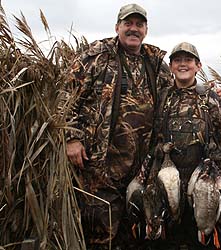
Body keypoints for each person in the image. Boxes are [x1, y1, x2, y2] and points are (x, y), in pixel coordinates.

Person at [65, 3, 172, 249]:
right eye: (128, 24)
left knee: (135, 237)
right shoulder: (97, 56)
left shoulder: (154, 62)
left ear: (146, 30)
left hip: (141, 172)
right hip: (101, 169)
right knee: (103, 238)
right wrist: (71, 137)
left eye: (139, 24)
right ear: (117, 27)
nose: (133, 29)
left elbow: (176, 93)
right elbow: (66, 96)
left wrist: (207, 92)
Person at [148, 42, 221, 250]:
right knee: (167, 236)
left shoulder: (211, 96)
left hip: (206, 173)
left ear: (198, 66)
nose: (183, 65)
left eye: (188, 60)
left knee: (205, 232)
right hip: (168, 172)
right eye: (178, 61)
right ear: (171, 66)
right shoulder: (162, 96)